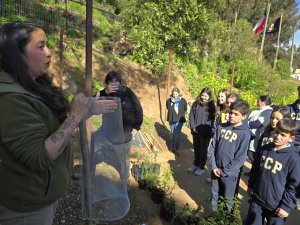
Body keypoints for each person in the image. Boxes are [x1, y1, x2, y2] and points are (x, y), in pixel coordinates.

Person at [0, 22, 117, 225]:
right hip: (26, 207)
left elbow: (52, 129)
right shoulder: (11, 99)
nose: (49, 53)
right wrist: (74, 116)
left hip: (41, 195)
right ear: (17, 54)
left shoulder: (31, 84)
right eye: (40, 46)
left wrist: (84, 113)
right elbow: (39, 156)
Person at [246, 118, 300, 225]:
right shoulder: (265, 149)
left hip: (276, 206)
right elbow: (255, 170)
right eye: (277, 132)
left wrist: (286, 206)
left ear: (291, 138)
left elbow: (294, 185)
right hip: (257, 199)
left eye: (283, 135)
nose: (278, 136)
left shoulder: (293, 158)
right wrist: (251, 185)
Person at [97, 70, 143, 180]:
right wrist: (104, 92)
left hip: (125, 134)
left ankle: (125, 179)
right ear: (107, 83)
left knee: (125, 158)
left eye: (116, 82)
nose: (114, 84)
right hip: (107, 134)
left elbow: (138, 110)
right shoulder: (104, 94)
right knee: (94, 148)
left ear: (120, 82)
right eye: (110, 82)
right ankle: (90, 173)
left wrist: (137, 127)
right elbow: (91, 103)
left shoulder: (128, 92)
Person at [208, 100, 251, 211]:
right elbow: (213, 146)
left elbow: (240, 158)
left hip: (230, 174)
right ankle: (214, 216)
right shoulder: (222, 126)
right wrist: (213, 166)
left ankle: (226, 219)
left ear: (244, 116)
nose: (231, 116)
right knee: (214, 195)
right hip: (215, 169)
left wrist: (224, 171)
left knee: (227, 200)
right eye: (231, 112)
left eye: (236, 114)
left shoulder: (245, 134)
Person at [187, 87, 216, 176]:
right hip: (195, 131)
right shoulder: (196, 104)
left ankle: (201, 167)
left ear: (209, 97)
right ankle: (195, 164)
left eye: (206, 96)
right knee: (196, 148)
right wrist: (193, 127)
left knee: (203, 150)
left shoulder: (211, 106)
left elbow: (210, 122)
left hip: (205, 133)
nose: (203, 97)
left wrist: (199, 129)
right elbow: (191, 115)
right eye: (202, 95)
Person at [247, 96, 273, 163]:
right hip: (250, 137)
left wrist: (243, 124)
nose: (257, 102)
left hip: (256, 138)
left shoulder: (267, 112)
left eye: (258, 101)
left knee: (254, 157)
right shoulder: (258, 110)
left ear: (263, 102)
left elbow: (257, 124)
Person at [166, 87, 187, 156]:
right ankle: (172, 147)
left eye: (176, 94)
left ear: (179, 94)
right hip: (172, 119)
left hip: (179, 120)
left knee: (177, 134)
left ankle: (175, 149)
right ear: (172, 93)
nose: (175, 95)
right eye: (174, 94)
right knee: (172, 133)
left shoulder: (182, 100)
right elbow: (167, 107)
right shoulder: (169, 100)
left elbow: (185, 108)